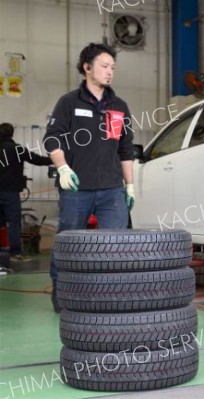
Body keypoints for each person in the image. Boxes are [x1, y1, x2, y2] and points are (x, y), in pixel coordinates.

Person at [43, 43, 135, 312]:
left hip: (111, 191)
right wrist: (62, 168)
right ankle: (62, 295)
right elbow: (52, 139)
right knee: (69, 244)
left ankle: (108, 297)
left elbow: (125, 149)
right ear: (87, 68)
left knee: (115, 247)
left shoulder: (119, 107)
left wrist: (129, 186)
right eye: (104, 66)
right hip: (76, 190)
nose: (110, 72)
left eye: (113, 68)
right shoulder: (69, 103)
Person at [0, 123, 53, 262]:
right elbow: (38, 160)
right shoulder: (17, 149)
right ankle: (14, 253)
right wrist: (57, 158)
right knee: (14, 223)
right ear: (12, 134)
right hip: (10, 193)